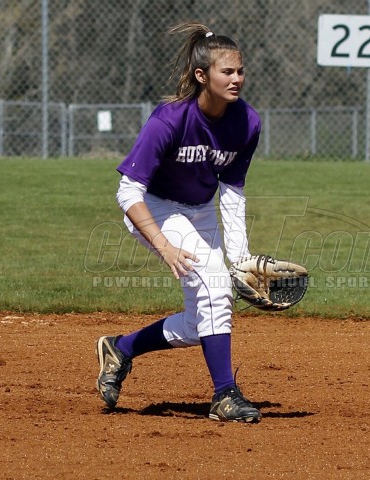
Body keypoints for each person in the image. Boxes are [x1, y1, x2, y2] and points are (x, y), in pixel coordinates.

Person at [95, 22, 262, 423]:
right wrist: (164, 244)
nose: (237, 79)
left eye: (240, 71)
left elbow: (232, 192)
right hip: (156, 209)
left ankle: (121, 348)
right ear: (202, 75)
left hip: (199, 210)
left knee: (205, 314)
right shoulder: (169, 120)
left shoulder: (247, 122)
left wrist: (241, 259)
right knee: (213, 287)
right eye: (227, 71)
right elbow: (128, 192)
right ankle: (224, 395)